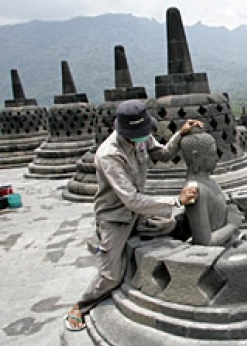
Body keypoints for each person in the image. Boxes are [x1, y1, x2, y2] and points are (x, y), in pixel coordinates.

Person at [65, 99, 203, 331]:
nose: (144, 136)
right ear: (124, 130)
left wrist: (181, 134)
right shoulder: (109, 155)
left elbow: (164, 154)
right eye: (139, 132)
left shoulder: (142, 136)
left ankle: (124, 248)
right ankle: (80, 306)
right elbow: (131, 200)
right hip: (115, 216)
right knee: (111, 276)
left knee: (169, 226)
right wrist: (176, 200)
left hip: (138, 214)